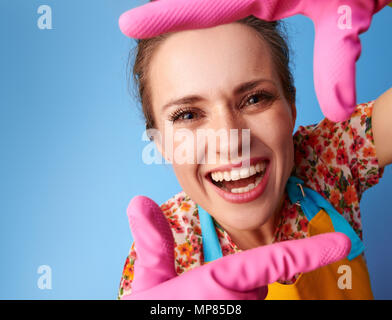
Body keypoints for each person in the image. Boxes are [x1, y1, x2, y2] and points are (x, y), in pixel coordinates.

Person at [117, 15, 392, 299]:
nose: (231, 142)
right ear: (160, 142)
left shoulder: (326, 160)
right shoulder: (168, 252)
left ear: (291, 106)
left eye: (254, 99)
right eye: (188, 115)